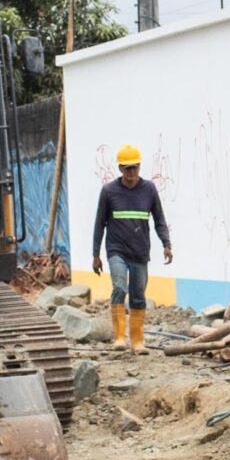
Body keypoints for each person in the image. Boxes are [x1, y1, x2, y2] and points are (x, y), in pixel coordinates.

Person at [91, 144, 171, 354]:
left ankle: (137, 341)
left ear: (139, 167)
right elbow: (99, 224)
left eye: (135, 167)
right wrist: (95, 254)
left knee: (138, 295)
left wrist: (166, 244)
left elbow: (159, 220)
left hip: (140, 252)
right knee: (119, 287)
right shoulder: (109, 191)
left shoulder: (149, 190)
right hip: (116, 250)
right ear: (120, 169)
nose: (132, 172)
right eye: (127, 168)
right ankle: (119, 337)